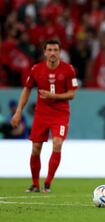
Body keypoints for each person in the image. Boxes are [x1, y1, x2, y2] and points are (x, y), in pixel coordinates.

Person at [11, 39, 78, 193]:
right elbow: (27, 89)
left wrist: (52, 95)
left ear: (60, 52)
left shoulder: (68, 69)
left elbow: (72, 94)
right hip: (41, 114)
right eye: (50, 50)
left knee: (57, 143)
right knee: (35, 148)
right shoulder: (36, 69)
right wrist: (19, 111)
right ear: (45, 52)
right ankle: (35, 184)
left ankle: (47, 183)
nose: (53, 53)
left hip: (60, 114)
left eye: (55, 50)